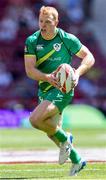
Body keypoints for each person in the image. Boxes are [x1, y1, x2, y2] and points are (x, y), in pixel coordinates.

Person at [24, 6, 95, 176]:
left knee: (35, 120)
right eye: (41, 21)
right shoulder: (32, 41)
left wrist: (77, 73)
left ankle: (66, 138)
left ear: (56, 22)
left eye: (47, 22)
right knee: (51, 131)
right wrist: (48, 77)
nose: (43, 25)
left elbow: (89, 57)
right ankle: (78, 160)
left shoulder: (66, 38)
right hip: (45, 89)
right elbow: (30, 70)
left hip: (63, 89)